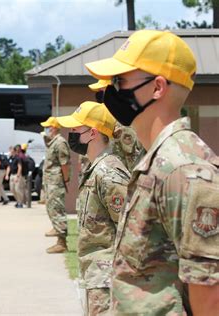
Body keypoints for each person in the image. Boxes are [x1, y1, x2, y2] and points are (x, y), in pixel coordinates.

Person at [85, 30, 219, 315]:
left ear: (158, 87)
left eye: (119, 81)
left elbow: (210, 294)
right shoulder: (158, 161)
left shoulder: (184, 170)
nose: (110, 92)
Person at [57, 101, 130, 315]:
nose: (71, 132)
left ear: (92, 134)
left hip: (107, 278)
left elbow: (130, 230)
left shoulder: (108, 173)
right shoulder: (95, 168)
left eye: (76, 128)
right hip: (96, 276)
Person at [39, 117, 71, 253]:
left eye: (47, 127)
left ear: (53, 128)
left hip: (56, 181)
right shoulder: (52, 142)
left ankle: (62, 242)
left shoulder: (60, 143)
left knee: (57, 208)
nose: (45, 130)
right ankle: (58, 232)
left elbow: (64, 164)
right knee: (51, 207)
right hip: (50, 181)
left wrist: (65, 179)